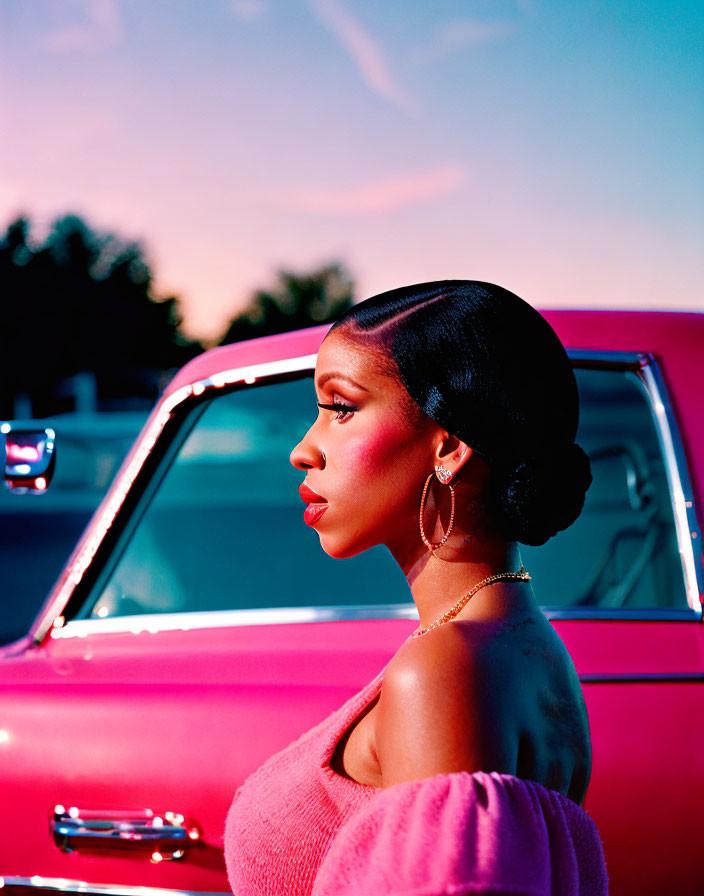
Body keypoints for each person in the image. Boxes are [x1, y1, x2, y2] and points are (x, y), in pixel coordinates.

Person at [225, 281, 609, 895]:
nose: (303, 449)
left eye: (341, 408)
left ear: (449, 445)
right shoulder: (522, 646)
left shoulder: (447, 669)